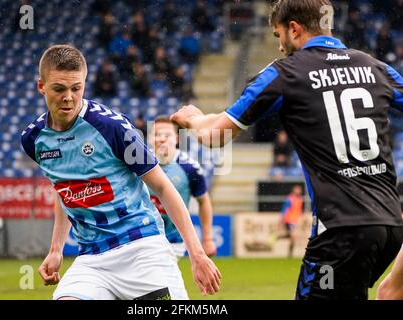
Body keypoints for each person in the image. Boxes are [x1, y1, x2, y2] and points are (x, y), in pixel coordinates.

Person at [171, 0, 403, 300]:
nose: (280, 46)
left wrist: (193, 120)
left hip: (340, 231)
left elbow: (215, 136)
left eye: (279, 35)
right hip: (389, 227)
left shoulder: (285, 72)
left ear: (294, 29)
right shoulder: (375, 66)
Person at [20, 44, 221, 300]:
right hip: (91, 258)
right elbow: (63, 190)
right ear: (41, 86)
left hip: (141, 247)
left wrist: (197, 254)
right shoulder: (34, 140)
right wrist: (56, 249)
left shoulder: (112, 127)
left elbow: (162, 186)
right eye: (59, 89)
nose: (68, 97)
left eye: (76, 88)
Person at [148, 115, 217, 260]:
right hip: (142, 237)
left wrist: (208, 238)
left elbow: (203, 201)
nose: (161, 139)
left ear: (177, 139)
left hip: (174, 242)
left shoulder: (190, 168)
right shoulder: (137, 164)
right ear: (149, 138)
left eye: (167, 135)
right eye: (156, 134)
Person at [278, 184, 304, 258]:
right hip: (289, 220)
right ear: (293, 190)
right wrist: (282, 219)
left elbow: (299, 210)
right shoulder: (289, 199)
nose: (298, 191)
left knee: (290, 237)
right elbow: (285, 209)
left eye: (299, 190)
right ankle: (290, 255)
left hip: (294, 221)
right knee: (293, 237)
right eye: (297, 189)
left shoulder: (300, 199)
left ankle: (277, 237)